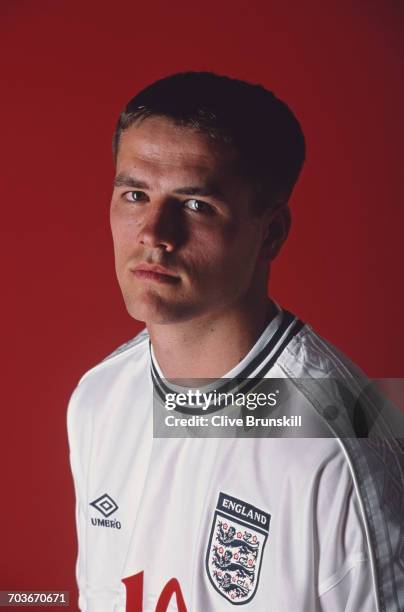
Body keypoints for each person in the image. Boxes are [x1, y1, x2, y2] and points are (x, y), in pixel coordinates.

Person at [67, 72, 403, 611]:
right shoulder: (99, 397)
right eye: (135, 194)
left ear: (270, 232)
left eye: (196, 205)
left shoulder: (346, 440)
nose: (154, 233)